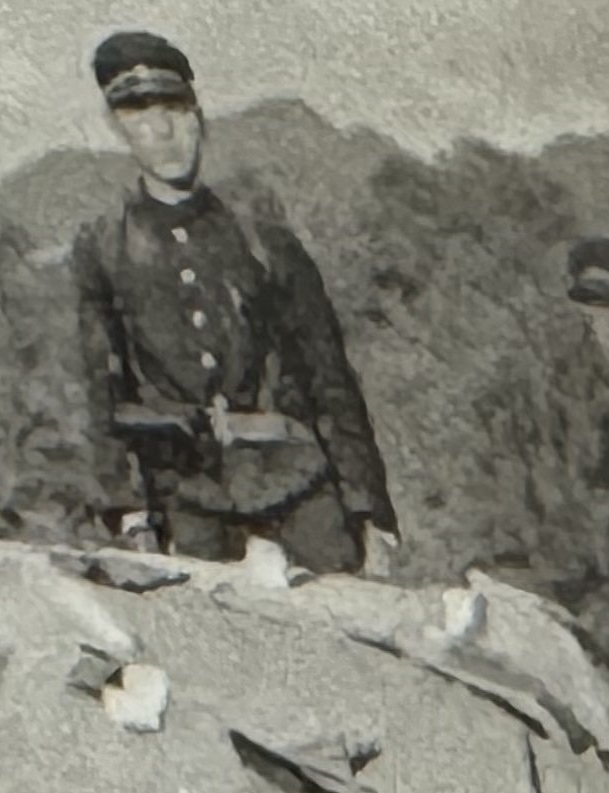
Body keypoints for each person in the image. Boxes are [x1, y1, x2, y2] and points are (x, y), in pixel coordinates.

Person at [70, 32, 395, 576]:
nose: (163, 131)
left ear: (199, 115)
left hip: (298, 485)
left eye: (176, 109)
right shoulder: (103, 248)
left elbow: (329, 376)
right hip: (189, 499)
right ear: (116, 128)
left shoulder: (263, 239)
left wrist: (368, 506)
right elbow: (101, 388)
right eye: (140, 115)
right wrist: (127, 510)